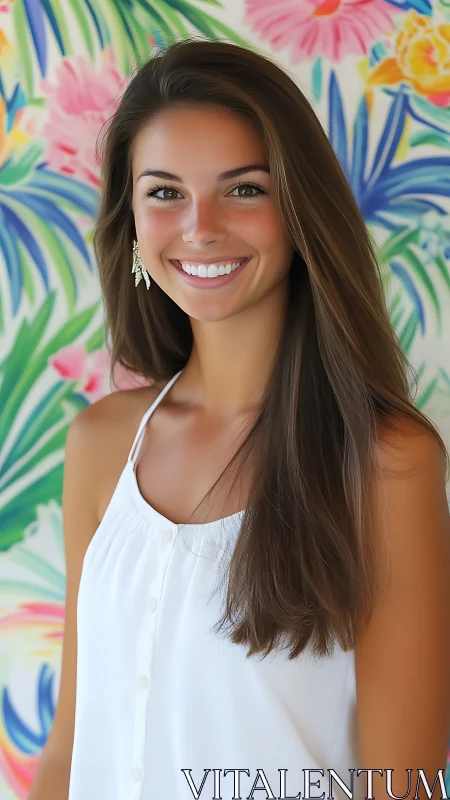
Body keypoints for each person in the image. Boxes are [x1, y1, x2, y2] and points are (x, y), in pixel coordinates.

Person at [29, 37, 450, 800]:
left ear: (300, 211)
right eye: (164, 193)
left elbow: (403, 785)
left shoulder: (385, 461)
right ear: (131, 224)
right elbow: (70, 748)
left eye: (244, 189)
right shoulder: (100, 445)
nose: (201, 227)